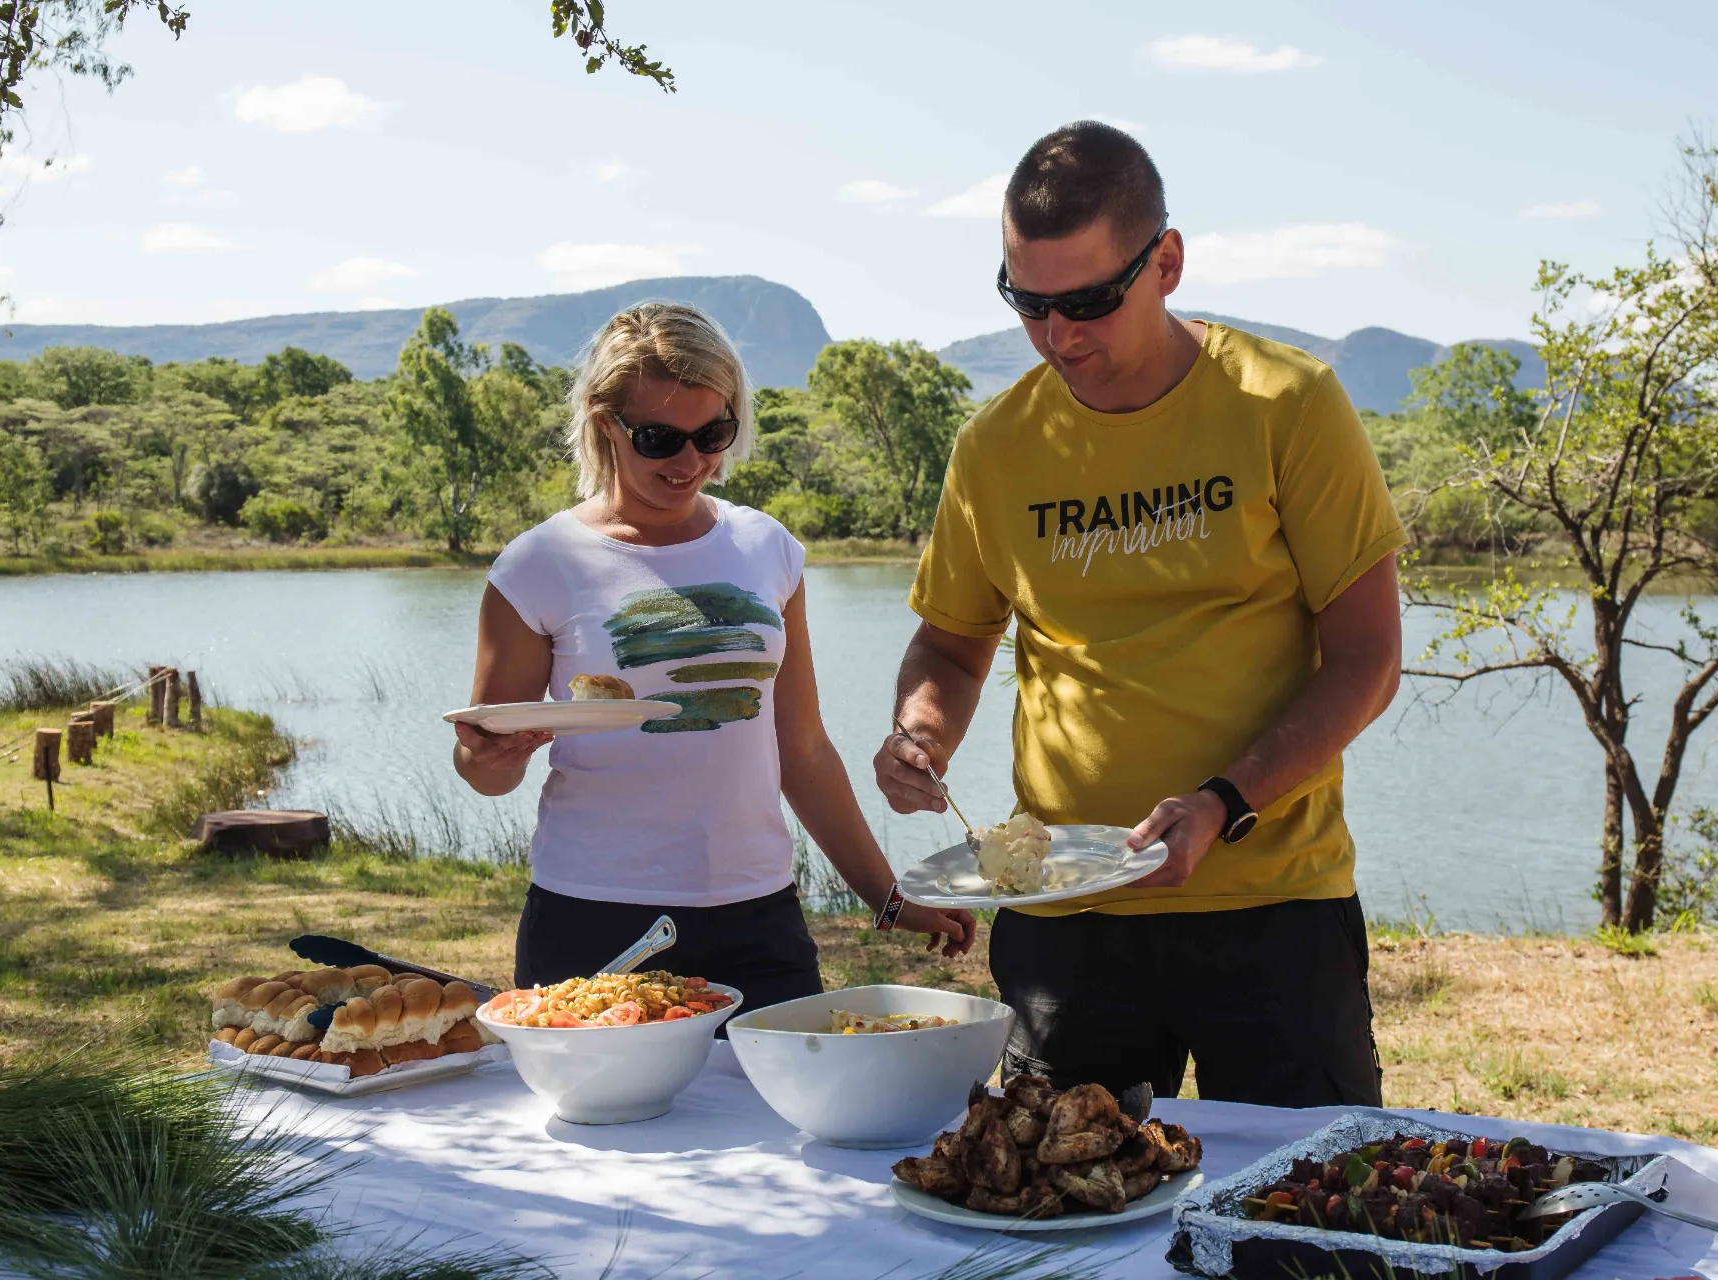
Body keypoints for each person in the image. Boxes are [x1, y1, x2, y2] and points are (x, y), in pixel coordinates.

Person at [873, 122, 1405, 1107]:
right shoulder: (997, 446)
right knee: (1063, 1226)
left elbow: (1368, 656)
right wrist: (920, 730)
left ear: (1166, 262)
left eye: (1087, 301)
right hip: (1065, 916)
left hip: (1275, 904)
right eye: (1028, 303)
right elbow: (951, 641)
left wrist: (1224, 801)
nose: (1060, 334)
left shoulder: (1286, 403)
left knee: (1302, 1231)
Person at [454, 301, 974, 1005]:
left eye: (714, 433)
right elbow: (486, 767)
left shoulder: (766, 549)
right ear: (607, 424)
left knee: (787, 1114)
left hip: (759, 917)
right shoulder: (539, 564)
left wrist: (886, 896)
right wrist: (485, 758)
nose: (693, 461)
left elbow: (803, 747)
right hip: (595, 915)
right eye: (660, 438)